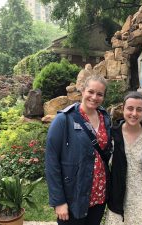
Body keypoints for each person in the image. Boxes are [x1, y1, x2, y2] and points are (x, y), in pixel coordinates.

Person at [45, 75, 112, 225]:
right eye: (91, 91)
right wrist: (59, 201)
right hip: (74, 195)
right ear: (82, 90)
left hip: (99, 194)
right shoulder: (64, 119)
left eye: (100, 94)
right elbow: (51, 161)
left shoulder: (105, 118)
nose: (94, 97)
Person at [105, 92, 142, 225]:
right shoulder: (113, 134)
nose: (134, 113)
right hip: (119, 195)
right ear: (123, 108)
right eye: (130, 108)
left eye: (139, 109)